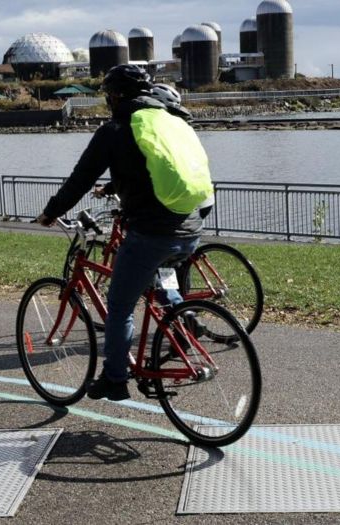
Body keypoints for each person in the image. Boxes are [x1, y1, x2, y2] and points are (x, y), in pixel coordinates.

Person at [36, 65, 213, 401]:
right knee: (158, 280)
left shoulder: (116, 128)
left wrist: (51, 212)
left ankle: (115, 379)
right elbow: (145, 170)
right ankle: (183, 322)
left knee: (118, 307)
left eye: (107, 95)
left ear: (114, 96)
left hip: (151, 232)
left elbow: (81, 179)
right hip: (191, 227)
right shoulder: (170, 121)